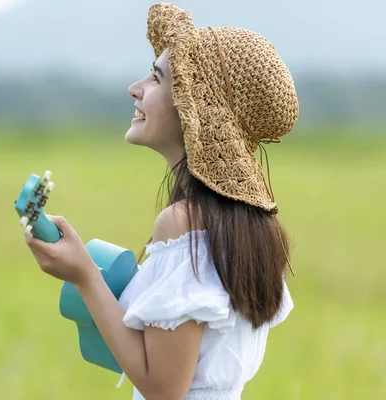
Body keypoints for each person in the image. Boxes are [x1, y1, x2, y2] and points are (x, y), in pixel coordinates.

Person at [23, 2, 298, 399]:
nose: (136, 88)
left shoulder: (182, 222)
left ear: (193, 107)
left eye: (156, 78)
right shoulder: (251, 226)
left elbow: (164, 388)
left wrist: (85, 276)